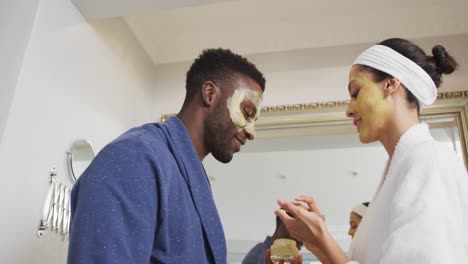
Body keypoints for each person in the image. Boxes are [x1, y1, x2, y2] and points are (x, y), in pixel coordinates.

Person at [275, 38, 468, 263]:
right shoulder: (402, 171)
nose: (348, 110)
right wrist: (317, 242)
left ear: (391, 84)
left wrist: (322, 237)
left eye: (355, 92)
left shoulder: (431, 161)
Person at [67, 48, 266, 263]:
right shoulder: (135, 157)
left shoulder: (193, 182)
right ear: (209, 94)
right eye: (247, 113)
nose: (251, 132)